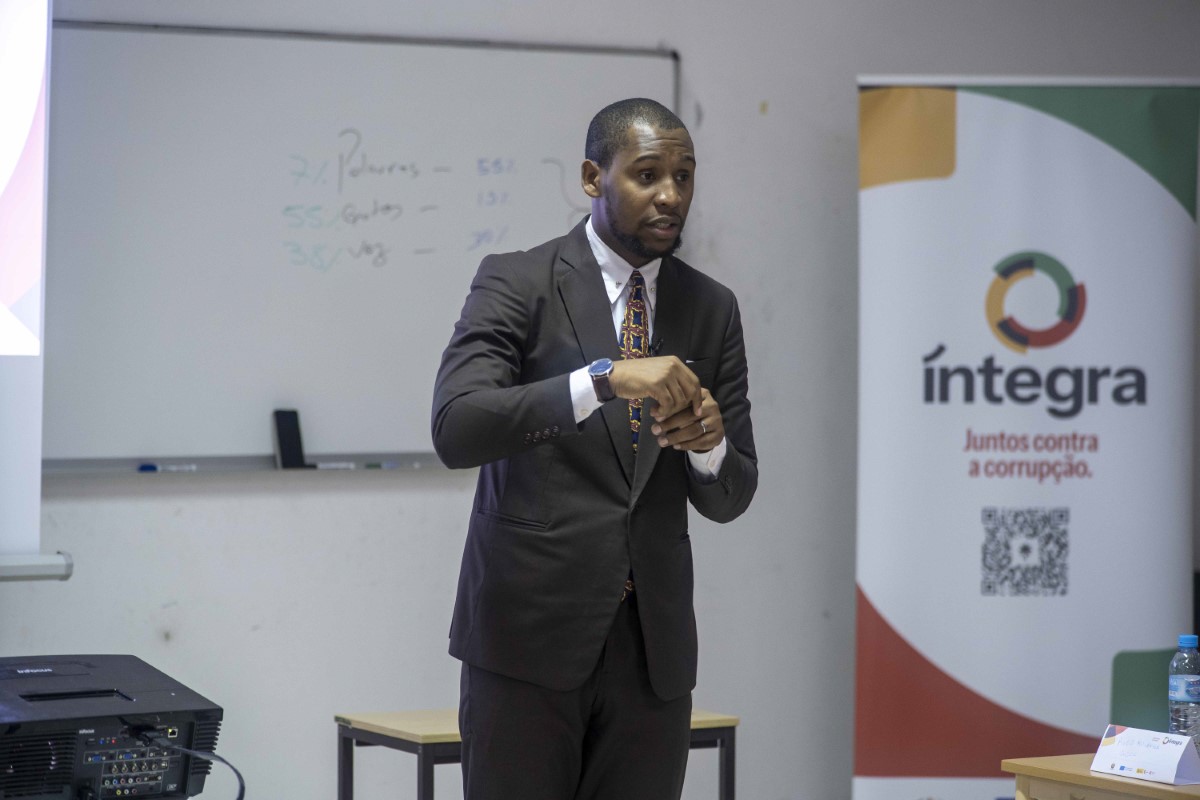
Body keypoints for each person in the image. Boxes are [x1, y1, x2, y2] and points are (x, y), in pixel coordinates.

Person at [431, 97, 758, 800]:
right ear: (592, 177)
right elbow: (457, 426)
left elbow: (733, 495)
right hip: (526, 645)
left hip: (652, 658)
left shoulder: (712, 307)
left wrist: (707, 447)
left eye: (684, 176)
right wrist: (603, 381)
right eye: (647, 174)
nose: (671, 195)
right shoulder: (518, 281)